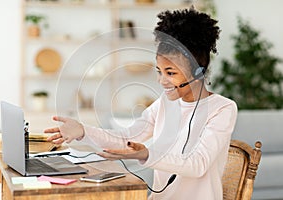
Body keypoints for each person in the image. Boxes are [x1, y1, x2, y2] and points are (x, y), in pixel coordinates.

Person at [45, 7, 238, 200]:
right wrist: (83, 131)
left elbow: (198, 164)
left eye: (170, 73)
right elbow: (127, 137)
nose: (162, 81)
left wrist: (146, 154)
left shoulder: (223, 109)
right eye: (159, 71)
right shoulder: (165, 103)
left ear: (198, 72)